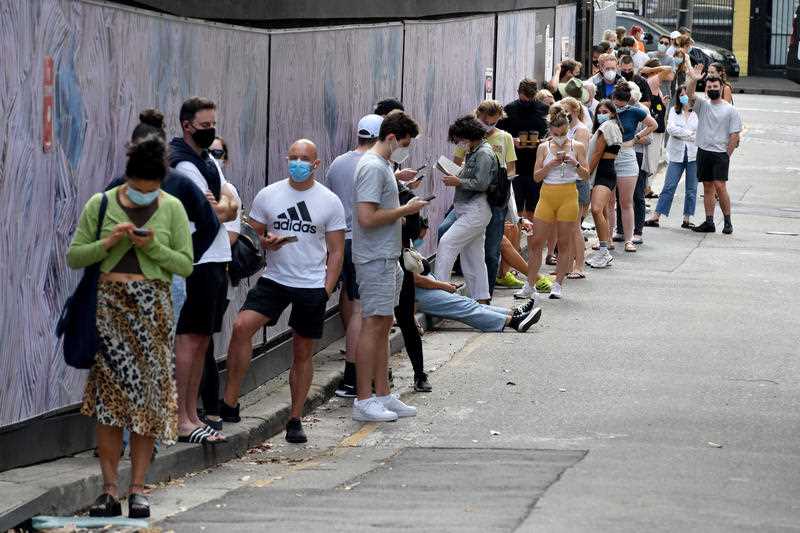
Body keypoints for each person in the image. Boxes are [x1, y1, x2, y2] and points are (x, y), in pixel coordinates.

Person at [68, 135, 193, 519]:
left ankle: (138, 489)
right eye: (138, 189)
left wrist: (151, 246)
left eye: (150, 190)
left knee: (147, 404)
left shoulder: (171, 207)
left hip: (152, 312)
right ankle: (109, 489)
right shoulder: (101, 204)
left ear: (160, 182)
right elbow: (75, 256)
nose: (143, 195)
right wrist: (109, 243)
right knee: (109, 406)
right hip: (110, 311)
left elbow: (185, 264)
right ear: (127, 178)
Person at [223, 139, 346, 443]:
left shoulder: (330, 201)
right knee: (241, 327)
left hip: (310, 284)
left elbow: (336, 251)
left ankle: (295, 417)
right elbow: (250, 235)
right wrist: (264, 243)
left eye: (304, 158)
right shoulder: (269, 195)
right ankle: (229, 402)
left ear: (316, 164)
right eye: (293, 157)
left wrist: (326, 289)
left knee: (302, 350)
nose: (298, 163)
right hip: (275, 278)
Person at [169, 97, 238, 444]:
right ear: (186, 126)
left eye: (213, 124)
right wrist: (222, 207)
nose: (211, 131)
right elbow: (215, 211)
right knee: (190, 338)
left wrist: (222, 206)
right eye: (204, 125)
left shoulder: (207, 159)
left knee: (202, 341)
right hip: (197, 259)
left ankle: (192, 414)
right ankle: (180, 417)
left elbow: (230, 201)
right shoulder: (182, 164)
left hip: (215, 258)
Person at [351, 111, 428, 422]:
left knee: (384, 325)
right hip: (375, 257)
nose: (406, 149)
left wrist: (396, 183)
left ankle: (381, 393)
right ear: (392, 138)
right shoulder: (372, 166)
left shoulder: (382, 165)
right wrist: (405, 210)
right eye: (405, 143)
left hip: (387, 255)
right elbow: (366, 218)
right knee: (374, 324)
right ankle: (363, 399)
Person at [324, 114, 383, 398]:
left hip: (340, 242)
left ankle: (358, 374)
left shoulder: (337, 163)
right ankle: (353, 378)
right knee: (363, 311)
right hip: (364, 243)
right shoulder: (373, 165)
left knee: (352, 303)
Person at [453, 100, 520, 295]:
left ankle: (486, 294)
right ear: (478, 117)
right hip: (470, 194)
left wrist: (503, 185)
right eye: (485, 121)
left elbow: (512, 167)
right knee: (447, 233)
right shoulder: (467, 137)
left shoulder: (504, 138)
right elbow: (457, 163)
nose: (489, 126)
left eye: (493, 122)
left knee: (491, 249)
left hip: (495, 197)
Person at [197, 135, 241, 432]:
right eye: (209, 152)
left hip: (212, 272)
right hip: (192, 268)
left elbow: (231, 234)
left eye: (217, 153)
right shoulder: (193, 181)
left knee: (204, 343)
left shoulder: (228, 190)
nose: (212, 157)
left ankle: (211, 409)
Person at [525, 107, 589, 299]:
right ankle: (530, 284)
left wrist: (574, 163)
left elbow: (585, 175)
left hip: (568, 194)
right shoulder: (543, 147)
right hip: (547, 195)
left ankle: (558, 284)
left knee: (564, 242)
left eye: (562, 133)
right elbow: (536, 177)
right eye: (555, 133)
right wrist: (550, 164)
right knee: (536, 242)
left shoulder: (577, 146)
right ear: (550, 131)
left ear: (568, 129)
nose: (559, 137)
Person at [435, 115, 497, 303]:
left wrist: (458, 181)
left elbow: (482, 183)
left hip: (475, 209)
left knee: (447, 243)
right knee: (473, 257)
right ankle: (481, 298)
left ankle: (440, 293)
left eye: (459, 139)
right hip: (470, 209)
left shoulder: (484, 153)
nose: (459, 144)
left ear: (469, 136)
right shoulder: (474, 151)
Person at [685, 66, 742, 234]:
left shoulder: (730, 109)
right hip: (703, 151)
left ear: (721, 87)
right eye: (709, 87)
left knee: (720, 186)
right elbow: (690, 94)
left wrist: (727, 155)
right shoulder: (703, 105)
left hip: (720, 154)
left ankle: (727, 221)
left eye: (715, 87)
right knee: (707, 187)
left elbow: (734, 135)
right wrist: (694, 80)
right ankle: (709, 222)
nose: (712, 89)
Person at [610, 81, 657, 252]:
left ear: (628, 100)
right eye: (616, 103)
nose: (619, 107)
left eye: (622, 104)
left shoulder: (635, 111)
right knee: (609, 201)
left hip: (628, 154)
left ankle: (630, 238)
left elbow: (653, 125)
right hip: (609, 155)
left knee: (627, 200)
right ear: (612, 99)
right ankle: (608, 237)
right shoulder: (607, 110)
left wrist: (637, 137)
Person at [645, 85, 699, 228]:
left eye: (686, 94)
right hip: (676, 154)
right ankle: (656, 216)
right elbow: (671, 129)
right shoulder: (675, 112)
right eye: (681, 94)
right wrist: (689, 134)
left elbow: (699, 135)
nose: (684, 97)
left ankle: (687, 219)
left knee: (691, 189)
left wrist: (683, 133)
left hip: (694, 155)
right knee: (669, 185)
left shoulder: (698, 113)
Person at [414, 273, 542, 333]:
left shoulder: (403, 239)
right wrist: (441, 285)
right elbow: (415, 279)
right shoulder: (396, 240)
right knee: (463, 307)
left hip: (419, 288)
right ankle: (514, 322)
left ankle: (514, 314)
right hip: (414, 292)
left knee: (468, 303)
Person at [498, 78, 549, 222]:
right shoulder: (509, 110)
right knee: (516, 210)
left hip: (536, 164)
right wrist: (511, 141)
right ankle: (517, 243)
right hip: (515, 165)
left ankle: (532, 242)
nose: (527, 101)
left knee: (534, 209)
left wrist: (543, 142)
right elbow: (500, 135)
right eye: (524, 98)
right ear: (518, 93)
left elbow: (551, 135)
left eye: (530, 98)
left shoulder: (544, 110)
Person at [586, 100, 623, 269]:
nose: (601, 114)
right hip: (605, 172)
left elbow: (596, 154)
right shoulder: (612, 126)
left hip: (603, 172)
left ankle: (604, 250)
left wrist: (585, 174)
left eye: (605, 111)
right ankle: (604, 247)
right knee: (602, 211)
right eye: (599, 111)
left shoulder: (607, 127)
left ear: (613, 112)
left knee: (596, 209)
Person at [560, 97, 591, 279]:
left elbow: (580, 157)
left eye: (566, 111)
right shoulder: (568, 129)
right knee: (567, 227)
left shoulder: (581, 130)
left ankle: (579, 265)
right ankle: (568, 264)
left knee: (574, 226)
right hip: (565, 180)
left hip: (577, 180)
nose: (563, 114)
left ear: (574, 110)